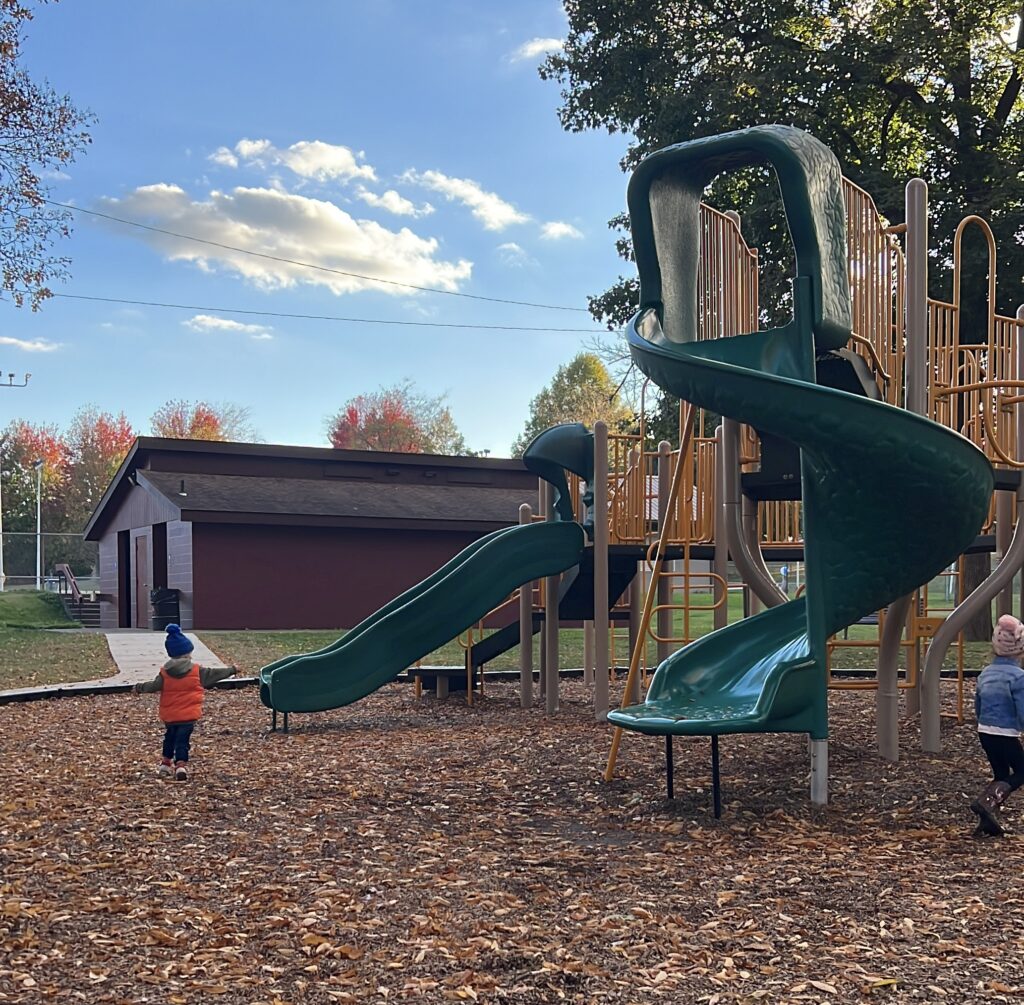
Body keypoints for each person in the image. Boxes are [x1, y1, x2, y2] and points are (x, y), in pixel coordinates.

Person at [133, 623, 237, 781]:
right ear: (187, 653)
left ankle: (165, 764)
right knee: (183, 740)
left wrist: (139, 687)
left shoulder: (165, 673)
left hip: (170, 714)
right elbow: (214, 674)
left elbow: (153, 686)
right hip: (188, 715)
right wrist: (232, 669)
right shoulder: (197, 671)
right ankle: (180, 765)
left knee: (170, 737)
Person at [970, 614, 1024, 836]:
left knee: (1001, 774)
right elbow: (1022, 708)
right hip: (1005, 733)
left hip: (985, 731)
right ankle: (986, 804)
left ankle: (987, 817)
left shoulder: (985, 674)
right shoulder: (1018, 677)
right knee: (1021, 772)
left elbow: (978, 705)